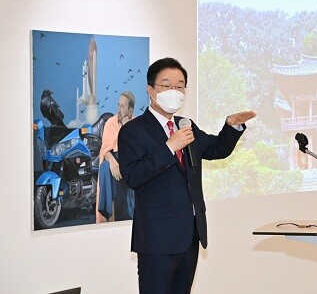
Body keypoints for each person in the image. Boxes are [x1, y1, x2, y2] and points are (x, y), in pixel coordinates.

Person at [118, 57, 256, 293]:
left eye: (180, 86)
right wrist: (169, 147)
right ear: (151, 90)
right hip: (157, 240)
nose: (175, 91)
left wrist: (231, 127)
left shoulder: (185, 125)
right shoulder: (133, 130)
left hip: (189, 235)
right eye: (167, 85)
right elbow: (133, 176)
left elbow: (215, 149)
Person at [96, 91, 136, 223]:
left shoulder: (137, 124)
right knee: (105, 168)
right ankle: (108, 214)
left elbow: (136, 148)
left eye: (123, 106)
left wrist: (125, 126)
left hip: (131, 159)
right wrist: (113, 162)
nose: (119, 109)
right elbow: (106, 148)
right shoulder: (110, 123)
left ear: (130, 110)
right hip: (113, 157)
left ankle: (130, 213)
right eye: (118, 105)